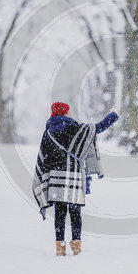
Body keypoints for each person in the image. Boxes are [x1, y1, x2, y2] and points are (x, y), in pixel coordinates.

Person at [32, 101, 119, 256]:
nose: (70, 113)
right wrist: (114, 114)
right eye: (68, 111)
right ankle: (76, 245)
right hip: (74, 178)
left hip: (55, 180)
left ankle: (60, 246)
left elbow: (43, 159)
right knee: (75, 212)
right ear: (65, 113)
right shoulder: (77, 129)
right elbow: (98, 127)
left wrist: (45, 179)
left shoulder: (49, 132)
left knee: (60, 213)